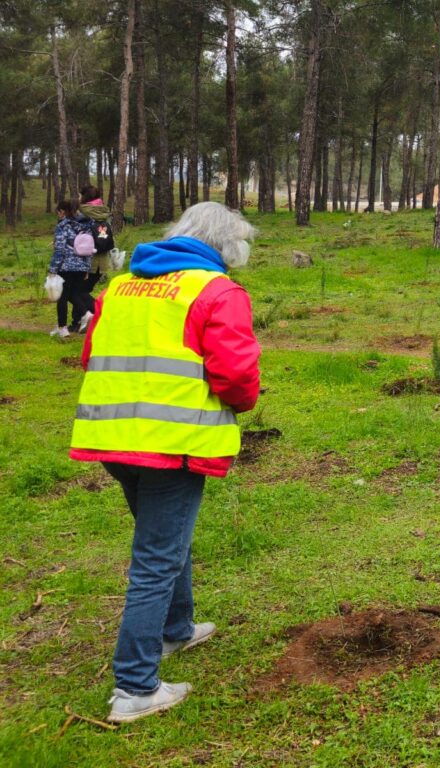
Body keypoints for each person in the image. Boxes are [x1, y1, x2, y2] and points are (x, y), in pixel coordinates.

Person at [69, 202, 261, 723]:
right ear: (225, 247)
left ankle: (178, 629)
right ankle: (135, 686)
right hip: (172, 443)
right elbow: (237, 377)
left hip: (111, 437)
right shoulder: (217, 291)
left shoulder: (121, 288)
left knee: (167, 537)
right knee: (157, 556)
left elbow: (91, 356)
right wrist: (241, 403)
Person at [47, 200, 94, 339]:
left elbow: (60, 250)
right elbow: (90, 248)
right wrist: (86, 267)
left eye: (59, 212)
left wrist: (53, 268)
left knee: (62, 297)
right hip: (81, 266)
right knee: (74, 293)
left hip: (65, 266)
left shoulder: (63, 226)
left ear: (62, 211)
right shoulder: (86, 226)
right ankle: (86, 314)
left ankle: (63, 328)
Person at [79, 185, 114, 297]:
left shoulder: (81, 212)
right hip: (102, 262)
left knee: (78, 293)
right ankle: (85, 313)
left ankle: (92, 312)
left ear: (84, 197)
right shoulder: (104, 212)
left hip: (84, 263)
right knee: (84, 291)